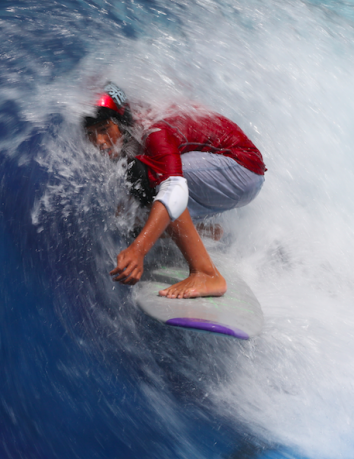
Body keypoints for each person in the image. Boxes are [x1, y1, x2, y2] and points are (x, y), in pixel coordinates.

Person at [84, 83, 266, 299]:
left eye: (105, 130)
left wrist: (139, 250)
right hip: (224, 172)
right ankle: (207, 232)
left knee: (156, 182)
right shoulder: (132, 127)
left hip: (243, 168)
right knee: (134, 217)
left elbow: (174, 188)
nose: (100, 142)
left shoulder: (154, 132)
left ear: (122, 123)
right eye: (91, 134)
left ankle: (206, 273)